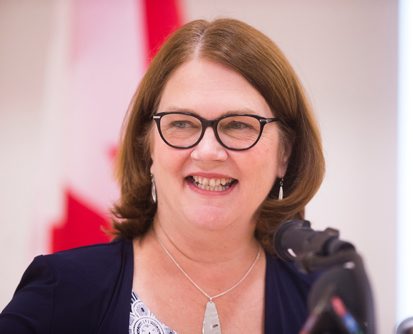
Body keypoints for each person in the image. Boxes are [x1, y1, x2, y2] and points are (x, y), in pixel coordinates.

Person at [0, 18, 325, 333]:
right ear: (148, 146)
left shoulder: (322, 305)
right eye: (181, 123)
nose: (208, 152)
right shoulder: (64, 290)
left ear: (285, 154)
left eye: (238, 125)